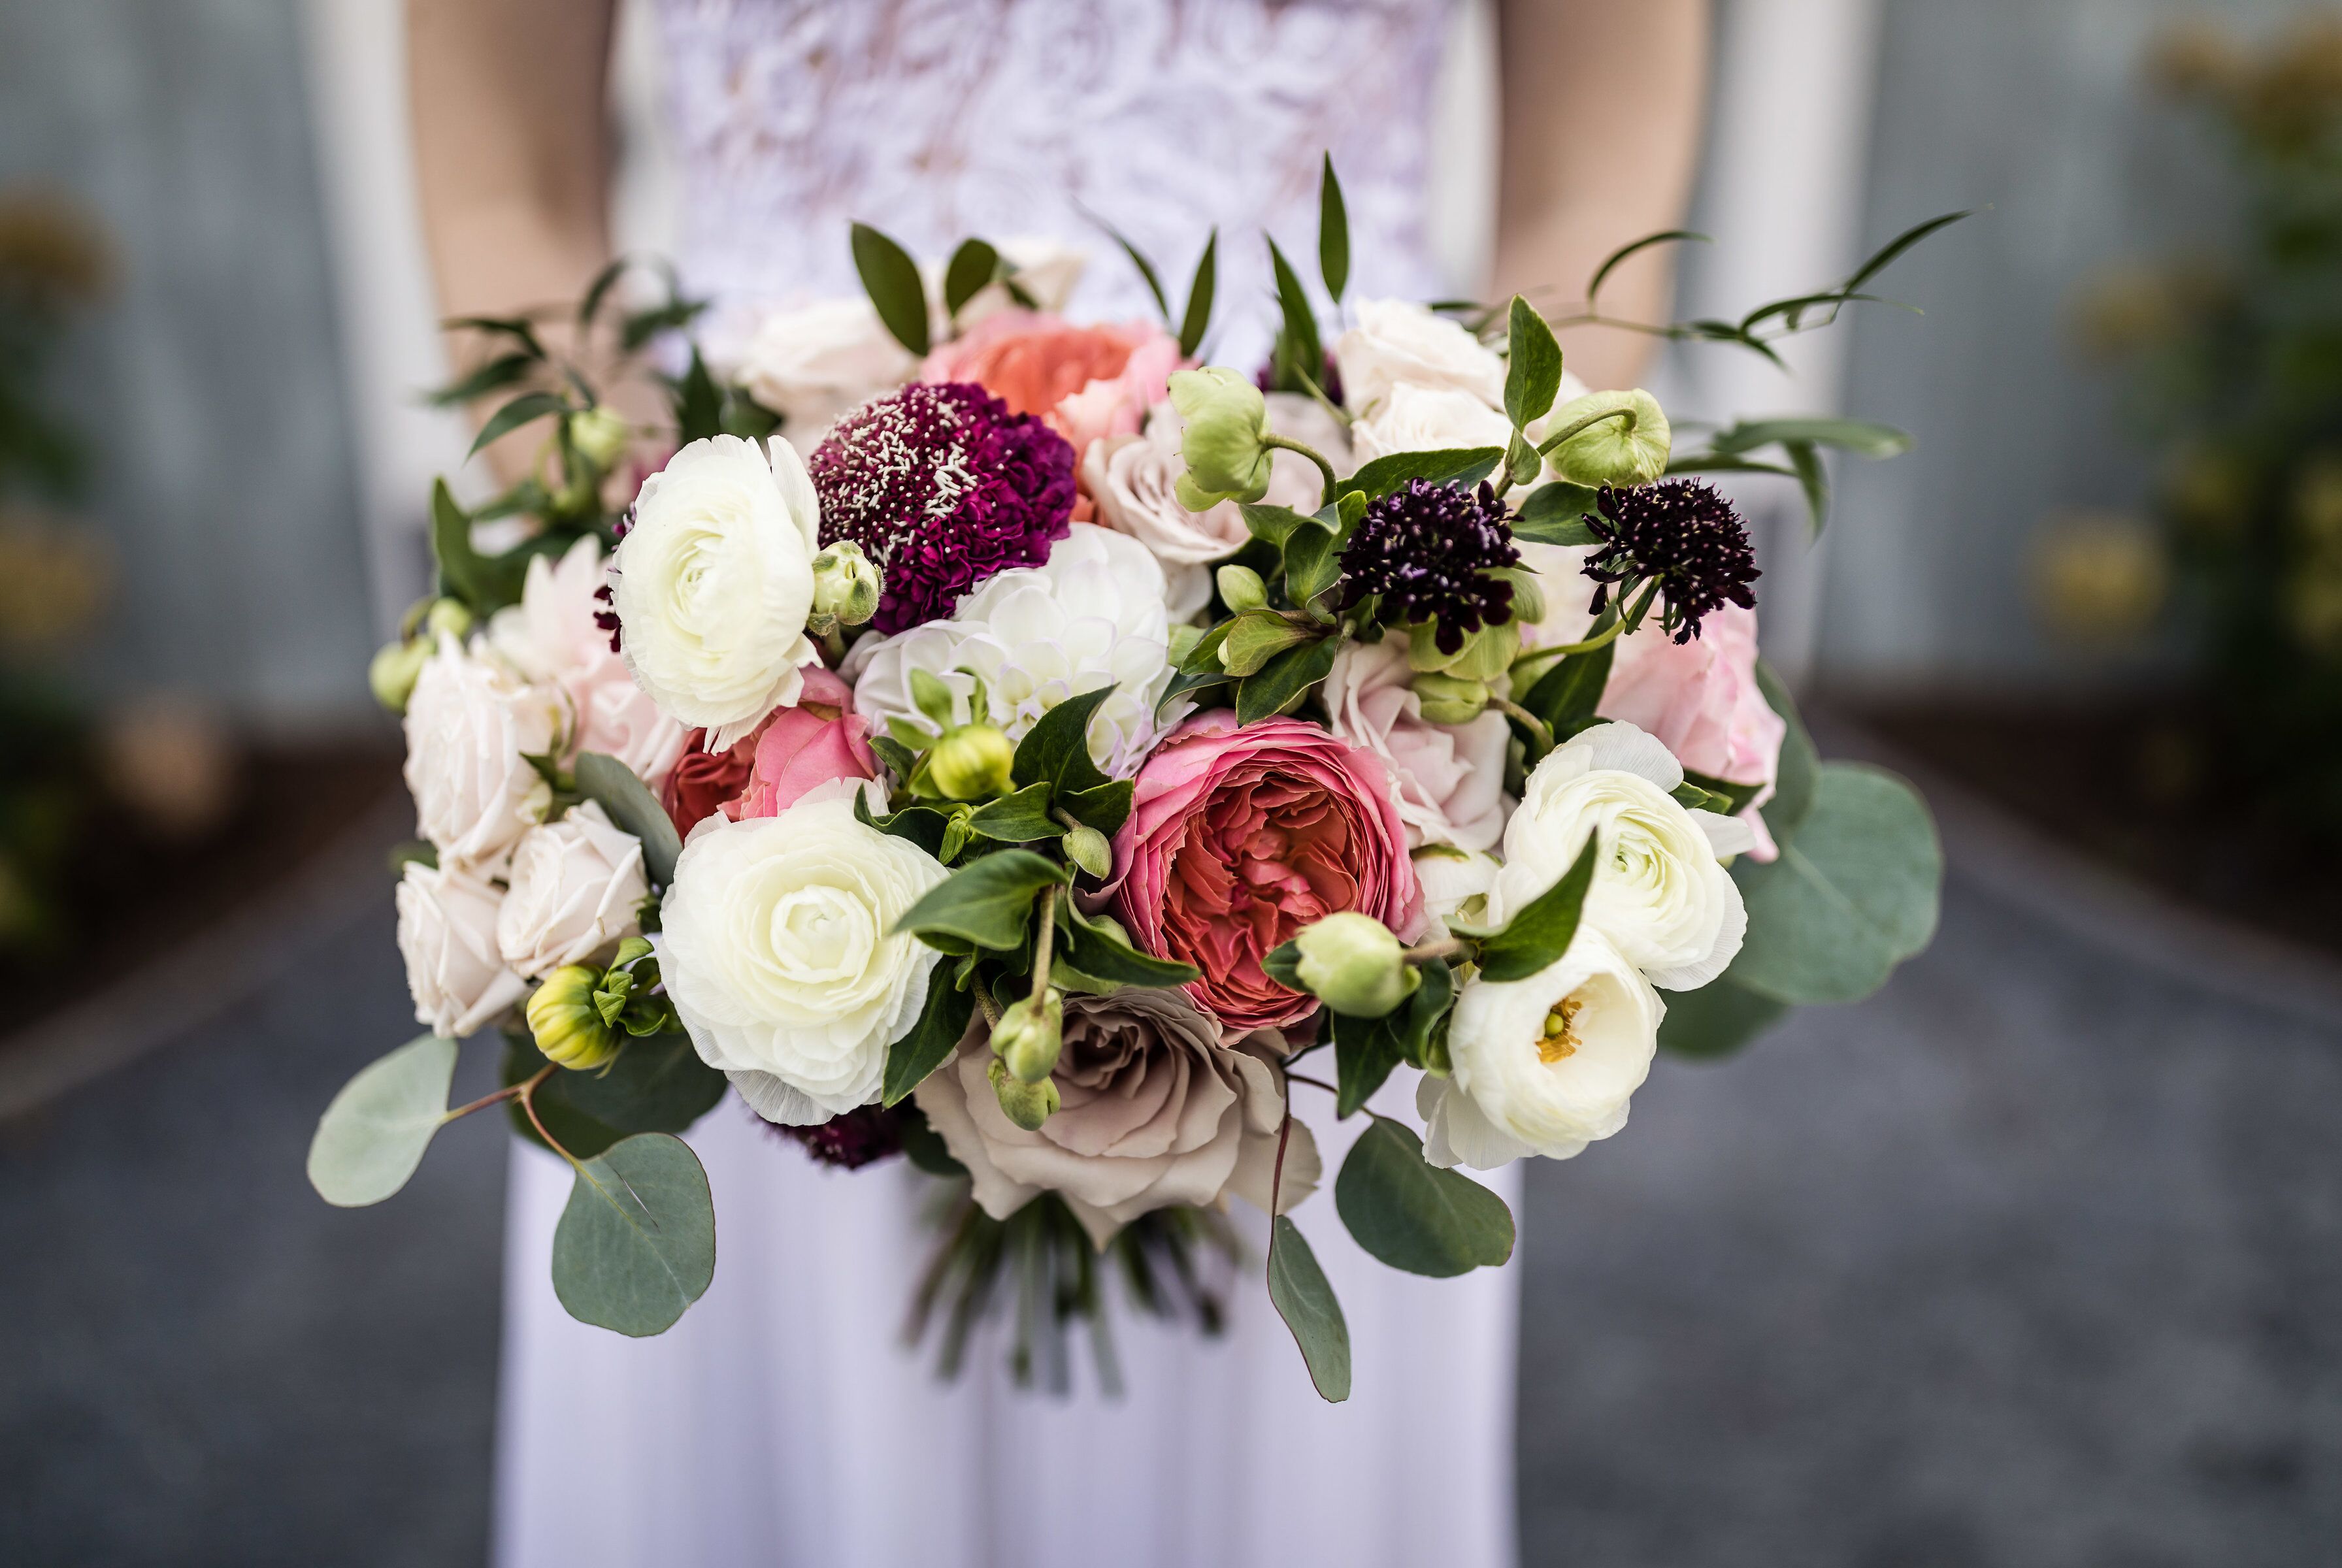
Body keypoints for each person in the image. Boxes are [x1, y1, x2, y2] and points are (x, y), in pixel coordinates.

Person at [408, 5, 1709, 1565]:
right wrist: (698, 634)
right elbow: (511, 188)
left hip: (1327, 659)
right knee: (787, 1121)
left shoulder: (1344, 709)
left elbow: (1592, 176)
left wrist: (1397, 613)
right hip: (761, 693)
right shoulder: (737, 692)